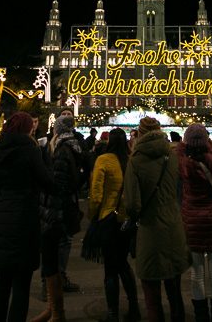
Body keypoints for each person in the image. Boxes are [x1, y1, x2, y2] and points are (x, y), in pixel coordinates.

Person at [0, 112, 54, 322]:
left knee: (2, 284)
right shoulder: (31, 151)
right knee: (21, 285)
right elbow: (47, 182)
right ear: (26, 129)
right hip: (25, 219)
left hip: (1, 219)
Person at [124, 117, 190, 322]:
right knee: (174, 288)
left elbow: (133, 204)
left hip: (150, 229)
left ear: (139, 134)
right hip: (172, 225)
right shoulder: (171, 157)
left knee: (152, 294)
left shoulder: (135, 161)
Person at [36, 114, 85, 321]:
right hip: (63, 202)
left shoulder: (62, 149)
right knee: (59, 243)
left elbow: (59, 180)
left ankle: (55, 306)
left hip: (58, 204)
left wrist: (53, 195)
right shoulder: (71, 146)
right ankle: (53, 306)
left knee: (54, 245)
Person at [89, 127, 141, 322]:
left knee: (110, 268)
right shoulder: (130, 161)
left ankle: (112, 312)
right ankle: (133, 306)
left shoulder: (103, 160)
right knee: (123, 264)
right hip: (126, 221)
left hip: (107, 219)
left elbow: (96, 195)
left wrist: (94, 215)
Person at [177, 124, 212, 322]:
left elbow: (178, 154)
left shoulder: (185, 165)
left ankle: (201, 316)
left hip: (192, 219)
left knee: (196, 273)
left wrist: (184, 144)